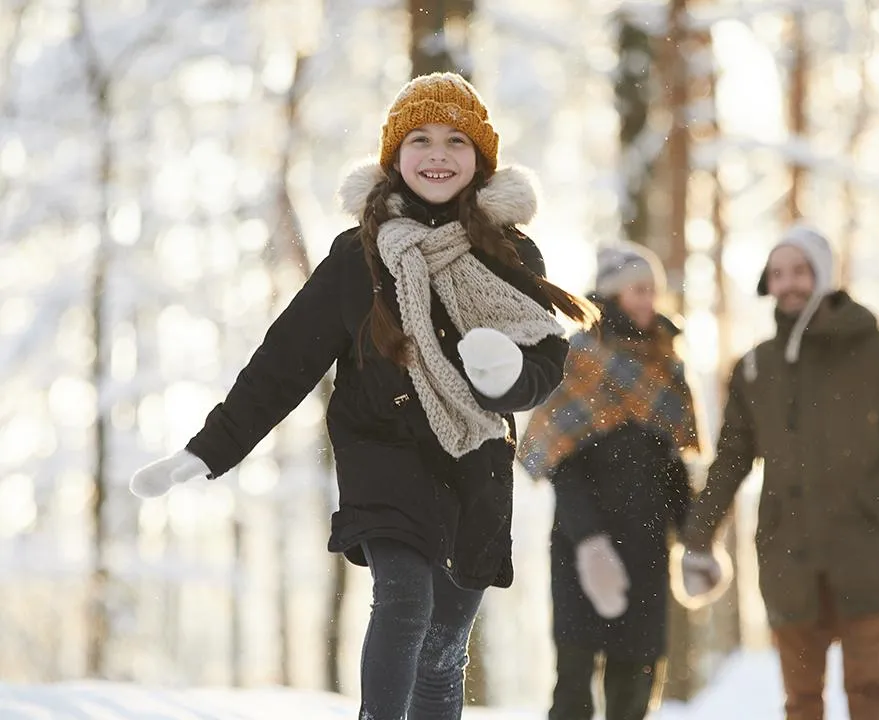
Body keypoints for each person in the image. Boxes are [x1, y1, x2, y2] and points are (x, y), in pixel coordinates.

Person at [129, 72, 598, 720]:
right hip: (382, 450)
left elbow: (546, 359)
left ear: (481, 158)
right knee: (404, 598)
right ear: (395, 157)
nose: (437, 154)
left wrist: (506, 379)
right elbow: (283, 364)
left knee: (444, 647)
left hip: (475, 459)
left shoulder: (509, 252)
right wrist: (207, 451)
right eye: (421, 140)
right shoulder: (360, 257)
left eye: (456, 140)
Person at [679, 224, 879, 720]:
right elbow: (731, 461)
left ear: (822, 276)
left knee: (867, 695)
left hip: (869, 551)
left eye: (800, 271)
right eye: (778, 274)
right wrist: (699, 540)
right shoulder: (756, 367)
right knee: (801, 703)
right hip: (789, 559)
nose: (789, 284)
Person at [518, 243, 702, 720]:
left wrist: (696, 538)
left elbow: (672, 462)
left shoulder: (667, 363)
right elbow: (561, 461)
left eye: (652, 291)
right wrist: (592, 544)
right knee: (574, 688)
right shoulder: (579, 358)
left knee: (635, 688)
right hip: (582, 545)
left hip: (648, 546)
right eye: (637, 290)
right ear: (611, 294)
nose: (647, 301)